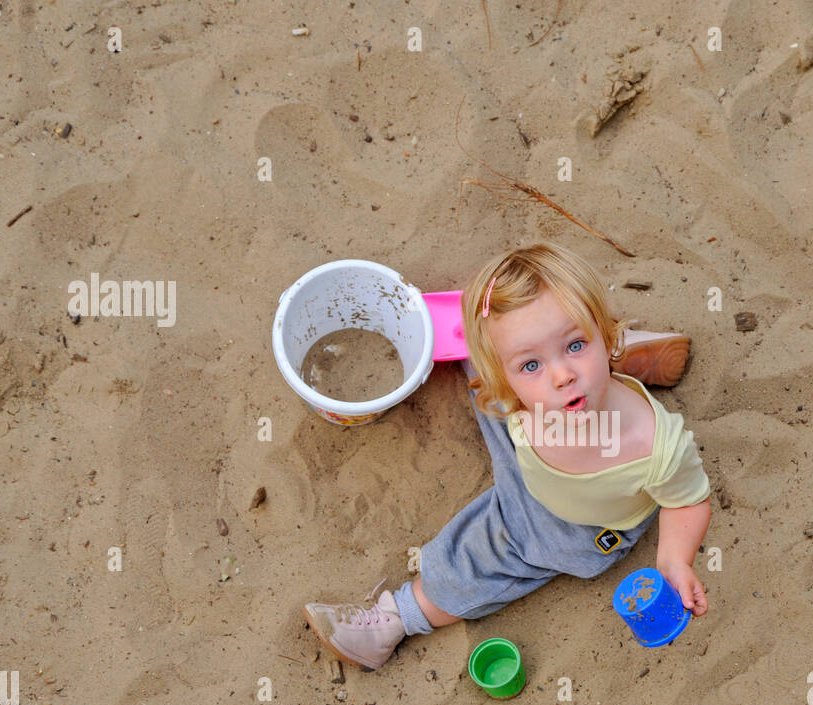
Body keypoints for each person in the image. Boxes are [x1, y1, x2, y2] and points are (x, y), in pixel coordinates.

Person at [303, 242, 712, 670]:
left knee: (479, 559)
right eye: (532, 365)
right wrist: (538, 357)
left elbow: (687, 499)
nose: (561, 375)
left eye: (575, 346)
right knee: (484, 342)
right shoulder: (526, 390)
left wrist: (673, 559)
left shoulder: (649, 443)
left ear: (601, 332)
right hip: (529, 437)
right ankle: (611, 360)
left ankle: (395, 618)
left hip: (573, 522)